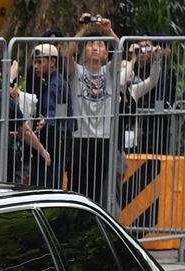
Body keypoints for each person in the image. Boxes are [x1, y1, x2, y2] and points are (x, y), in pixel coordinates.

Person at [60, 15, 163, 208]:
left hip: (104, 140)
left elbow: (119, 47)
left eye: (100, 45)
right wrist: (84, 29)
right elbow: (65, 56)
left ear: (106, 51)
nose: (96, 48)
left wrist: (108, 31)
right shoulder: (77, 72)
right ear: (85, 48)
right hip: (79, 139)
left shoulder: (109, 73)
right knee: (77, 191)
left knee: (98, 194)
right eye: (91, 44)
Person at [29, 43, 72, 188]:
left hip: (55, 140)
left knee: (48, 184)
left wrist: (48, 119)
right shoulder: (50, 82)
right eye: (35, 62)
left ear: (52, 62)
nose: (35, 66)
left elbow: (62, 111)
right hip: (53, 139)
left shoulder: (56, 84)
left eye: (40, 62)